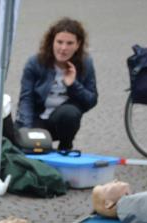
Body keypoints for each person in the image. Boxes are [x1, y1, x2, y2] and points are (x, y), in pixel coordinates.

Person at [16, 17, 97, 152]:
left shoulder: (86, 63)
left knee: (69, 113)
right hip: (37, 120)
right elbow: (26, 99)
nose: (63, 48)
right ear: (52, 41)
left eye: (69, 43)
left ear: (78, 45)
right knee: (23, 148)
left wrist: (73, 84)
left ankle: (65, 147)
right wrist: (26, 131)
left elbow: (91, 101)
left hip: (61, 123)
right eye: (59, 42)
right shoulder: (35, 62)